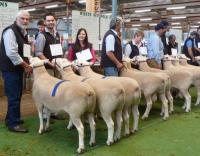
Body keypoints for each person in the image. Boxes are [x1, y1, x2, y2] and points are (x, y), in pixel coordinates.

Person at [0, 10, 32, 133]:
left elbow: (25, 49)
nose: (25, 21)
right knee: (13, 96)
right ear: (16, 19)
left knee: (17, 95)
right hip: (10, 69)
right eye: (22, 18)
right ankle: (13, 124)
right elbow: (11, 53)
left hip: (17, 68)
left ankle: (12, 119)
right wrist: (26, 66)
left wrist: (29, 61)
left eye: (27, 19)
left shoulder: (24, 31)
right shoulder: (10, 31)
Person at [34, 13, 64, 120]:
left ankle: (53, 113)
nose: (51, 22)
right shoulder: (42, 35)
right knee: (47, 92)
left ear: (55, 21)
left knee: (55, 92)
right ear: (45, 22)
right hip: (48, 69)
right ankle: (45, 115)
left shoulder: (57, 34)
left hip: (57, 67)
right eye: (48, 20)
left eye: (52, 20)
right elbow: (38, 53)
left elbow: (59, 50)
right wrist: (49, 63)